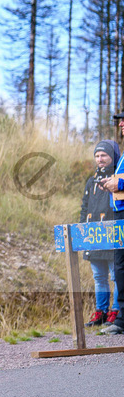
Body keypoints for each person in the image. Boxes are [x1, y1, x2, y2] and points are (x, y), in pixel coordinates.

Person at [80, 140, 120, 327]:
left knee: (116, 275)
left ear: (112, 157)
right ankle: (101, 311)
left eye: (104, 155)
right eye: (97, 155)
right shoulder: (91, 181)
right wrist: (82, 231)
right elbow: (84, 207)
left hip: (113, 234)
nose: (100, 159)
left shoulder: (118, 179)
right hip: (93, 235)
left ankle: (116, 310)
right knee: (99, 277)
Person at [99, 114, 124, 335]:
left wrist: (120, 181)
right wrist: (111, 183)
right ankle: (122, 320)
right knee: (121, 266)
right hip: (120, 215)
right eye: (120, 120)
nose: (121, 124)